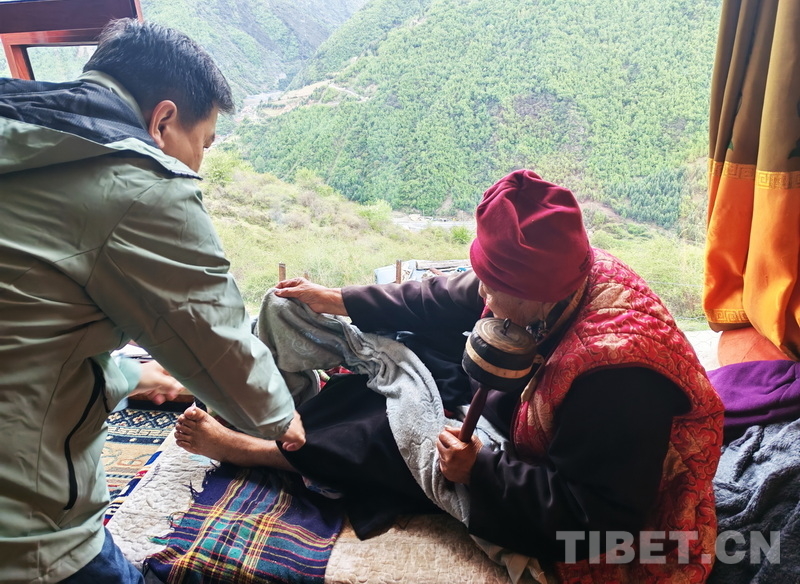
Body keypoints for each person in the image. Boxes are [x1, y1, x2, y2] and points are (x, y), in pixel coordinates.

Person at [175, 170, 724, 583]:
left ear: (535, 294)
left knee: (399, 437)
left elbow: (598, 522)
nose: (483, 296)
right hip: (533, 411)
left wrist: (481, 471)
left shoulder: (616, 378)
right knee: (416, 345)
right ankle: (303, 404)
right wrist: (339, 299)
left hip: (586, 508)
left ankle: (264, 452)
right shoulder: (561, 269)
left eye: (494, 288)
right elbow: (449, 296)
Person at [0, 19, 304, 584]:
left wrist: (130, 376)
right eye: (203, 143)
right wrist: (286, 421)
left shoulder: (21, 127)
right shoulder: (141, 183)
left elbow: (23, 324)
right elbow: (221, 348)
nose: (199, 163)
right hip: (23, 533)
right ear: (163, 121)